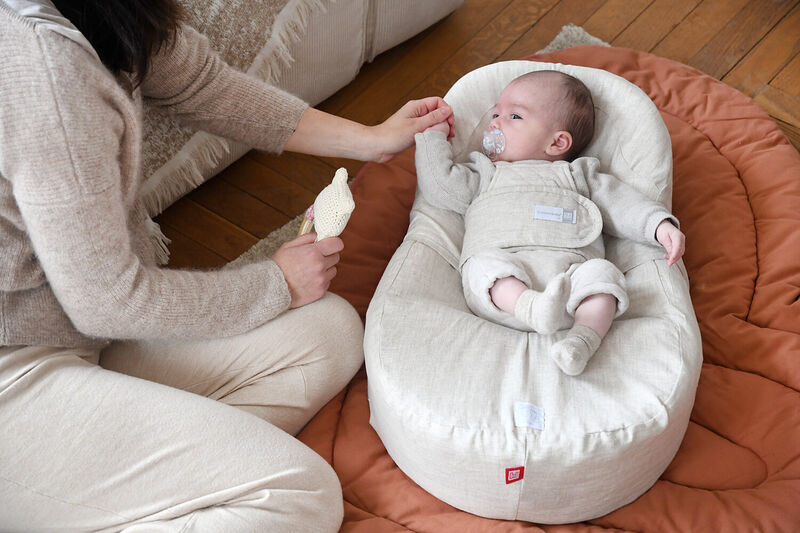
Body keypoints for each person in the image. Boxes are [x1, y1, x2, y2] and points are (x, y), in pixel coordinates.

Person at [0, 0, 453, 531]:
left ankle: (124, 496)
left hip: (79, 335)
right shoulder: (46, 78)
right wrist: (276, 284)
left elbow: (200, 85)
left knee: (330, 334)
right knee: (299, 494)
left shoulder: (103, 15)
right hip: (20, 371)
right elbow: (109, 301)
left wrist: (371, 141)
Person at [414, 69, 685, 376]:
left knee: (604, 276)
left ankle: (580, 341)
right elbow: (441, 187)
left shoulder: (578, 176)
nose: (494, 123)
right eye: (496, 113)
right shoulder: (485, 173)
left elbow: (622, 202)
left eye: (514, 116)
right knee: (481, 267)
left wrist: (659, 225)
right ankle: (531, 306)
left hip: (571, 283)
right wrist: (432, 136)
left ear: (557, 143)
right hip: (505, 288)